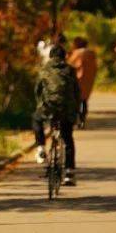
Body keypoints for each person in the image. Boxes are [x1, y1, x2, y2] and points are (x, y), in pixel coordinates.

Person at [33, 45, 81, 186]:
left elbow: (37, 91)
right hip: (67, 110)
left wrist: (40, 104)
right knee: (68, 138)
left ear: (50, 56)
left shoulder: (44, 70)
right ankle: (69, 174)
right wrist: (77, 111)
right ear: (65, 57)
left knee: (36, 119)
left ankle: (41, 147)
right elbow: (76, 92)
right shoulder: (70, 70)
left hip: (49, 108)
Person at [68, 37, 98, 125]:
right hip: (88, 80)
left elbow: (71, 65)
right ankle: (82, 119)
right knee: (84, 100)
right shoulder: (91, 53)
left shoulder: (77, 53)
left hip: (77, 80)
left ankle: (77, 118)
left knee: (77, 100)